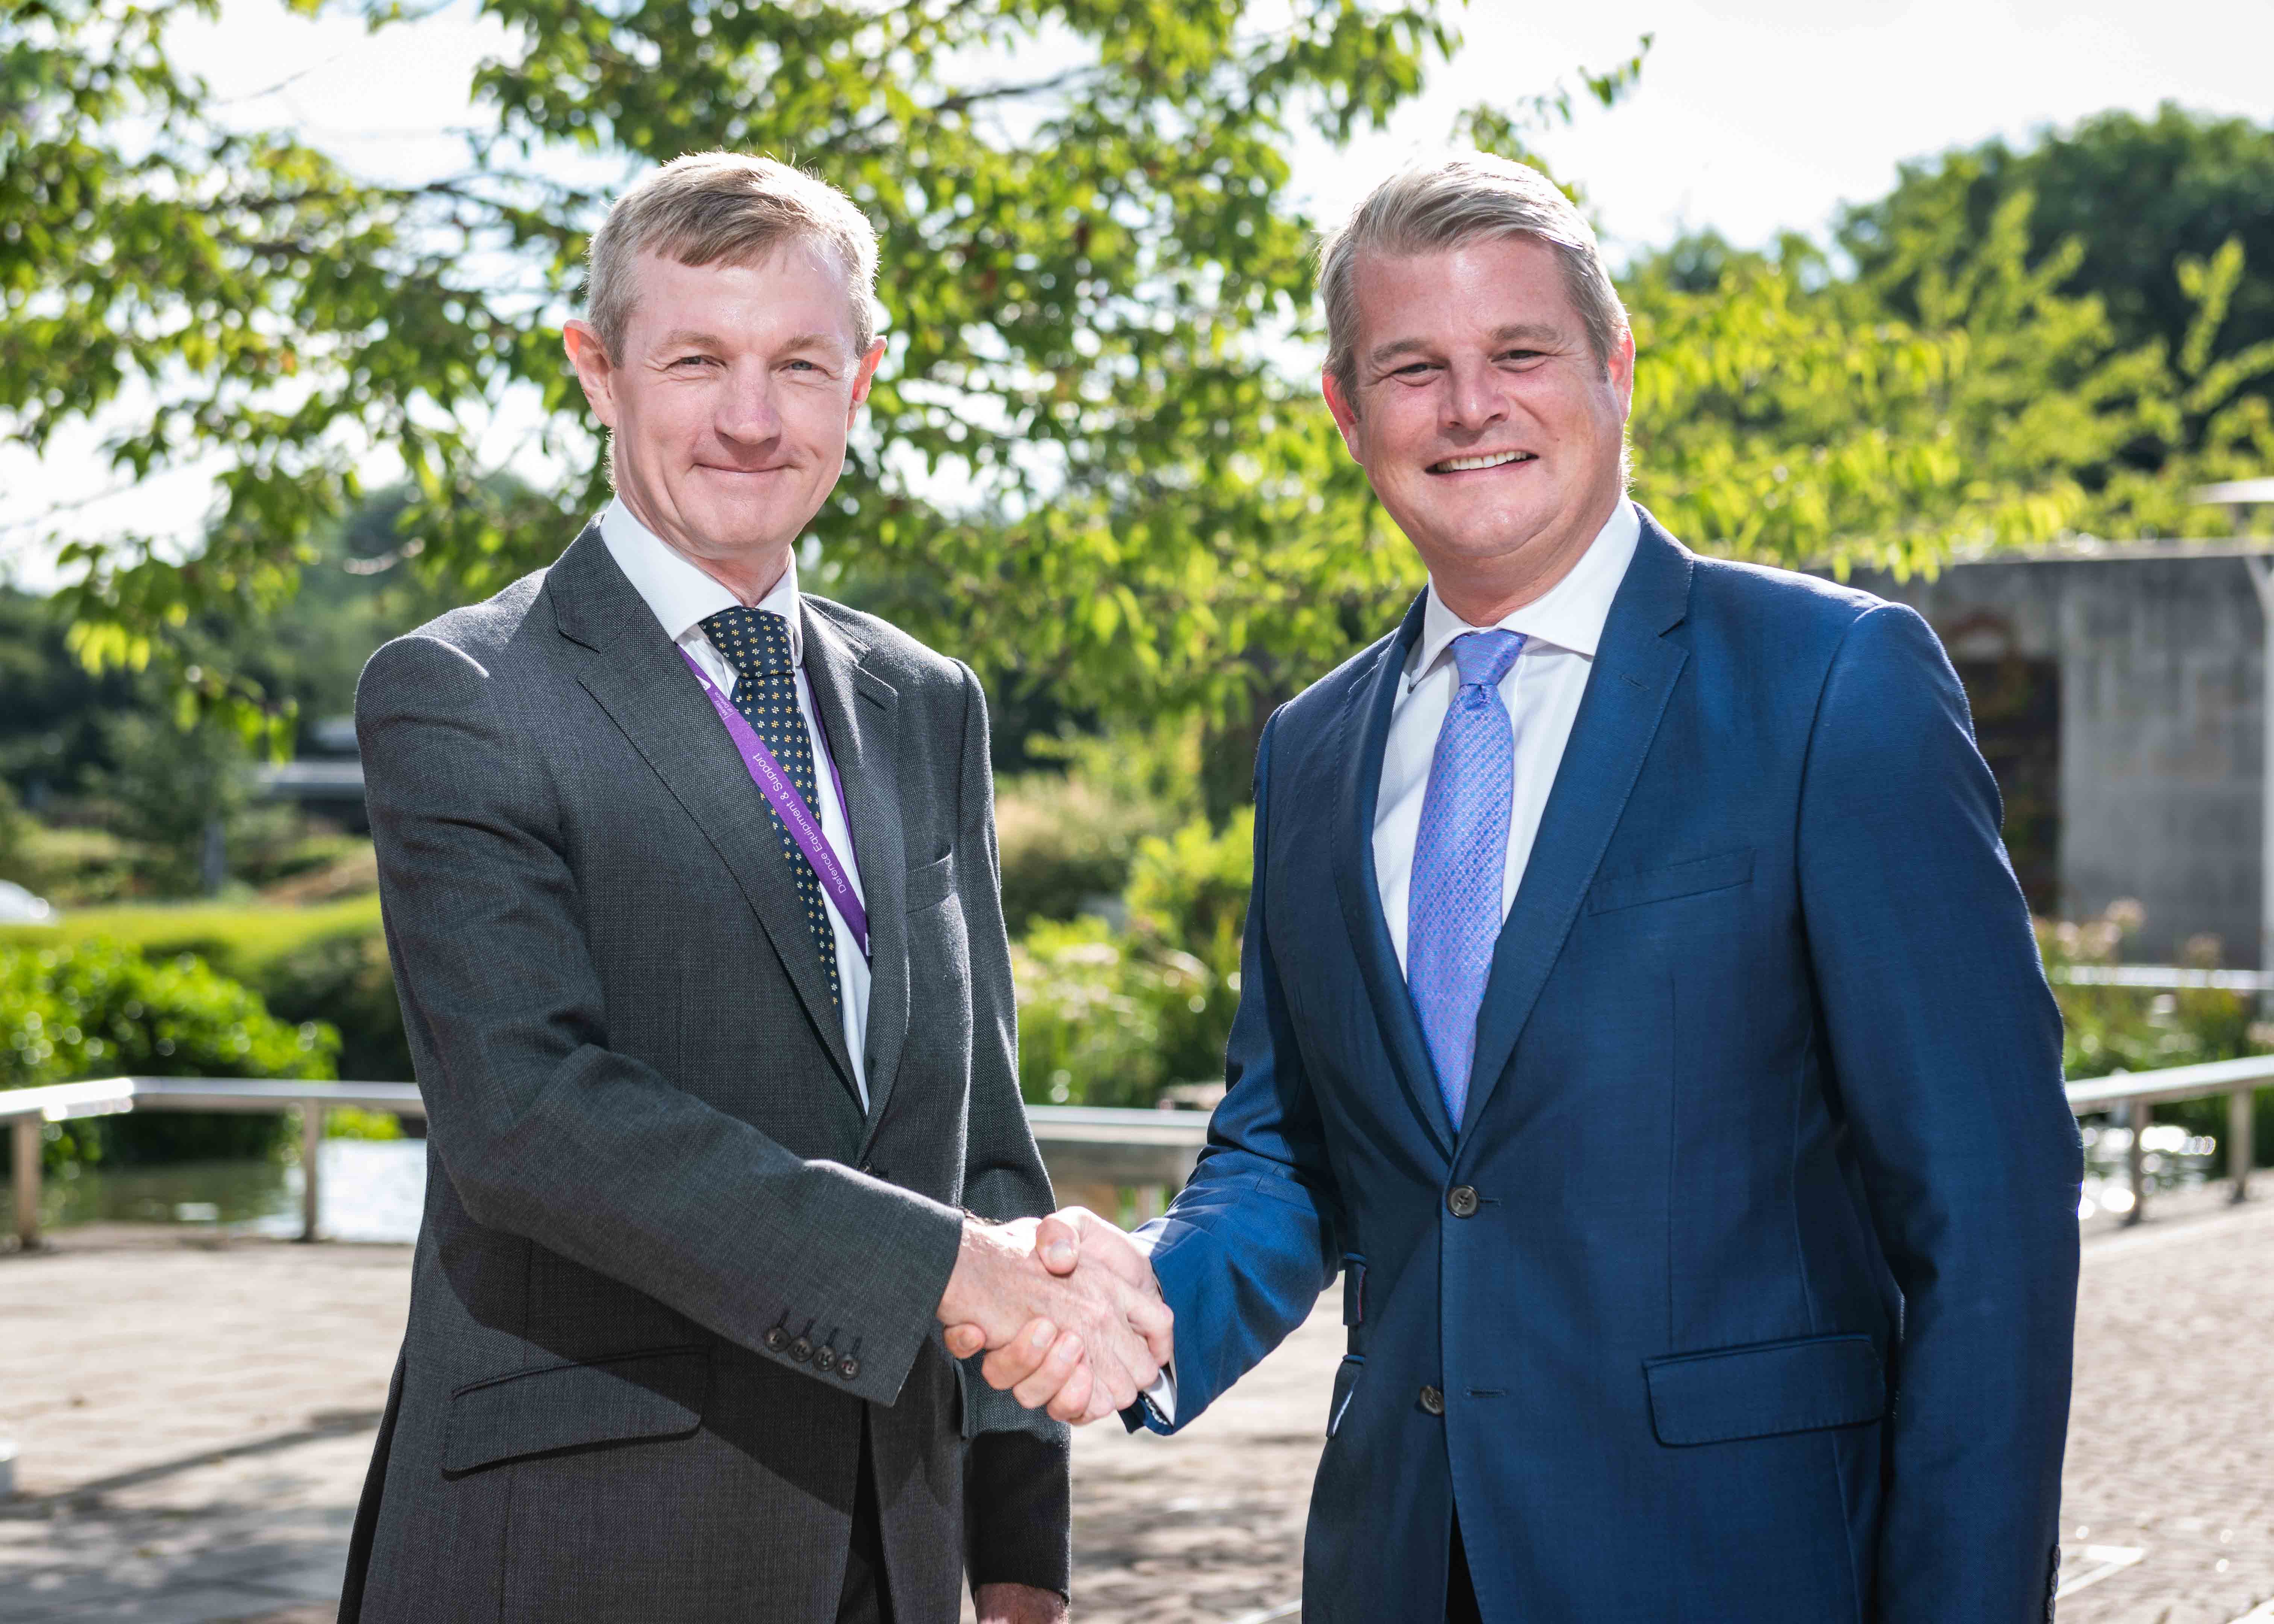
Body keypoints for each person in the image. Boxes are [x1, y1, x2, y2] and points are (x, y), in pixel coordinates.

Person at [978, 154, 2083, 1623]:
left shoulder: (1834, 686)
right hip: (1396, 1569)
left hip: (1738, 1571)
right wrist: (1150, 1314)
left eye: (1519, 353)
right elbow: (1287, 1148)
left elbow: (1990, 1216)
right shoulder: (1311, 750)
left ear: (1616, 368)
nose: (1470, 406)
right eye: (1413, 368)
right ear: (1346, 411)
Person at [339, 151, 1169, 1624]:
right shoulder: (461, 693)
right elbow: (528, 1120)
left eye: (799, 362)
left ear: (864, 380)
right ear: (599, 370)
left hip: (899, 1548)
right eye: (697, 359)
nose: (749, 416)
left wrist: (1021, 1553)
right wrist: (948, 1274)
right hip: (587, 1544)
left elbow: (976, 1140)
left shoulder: (928, 701)